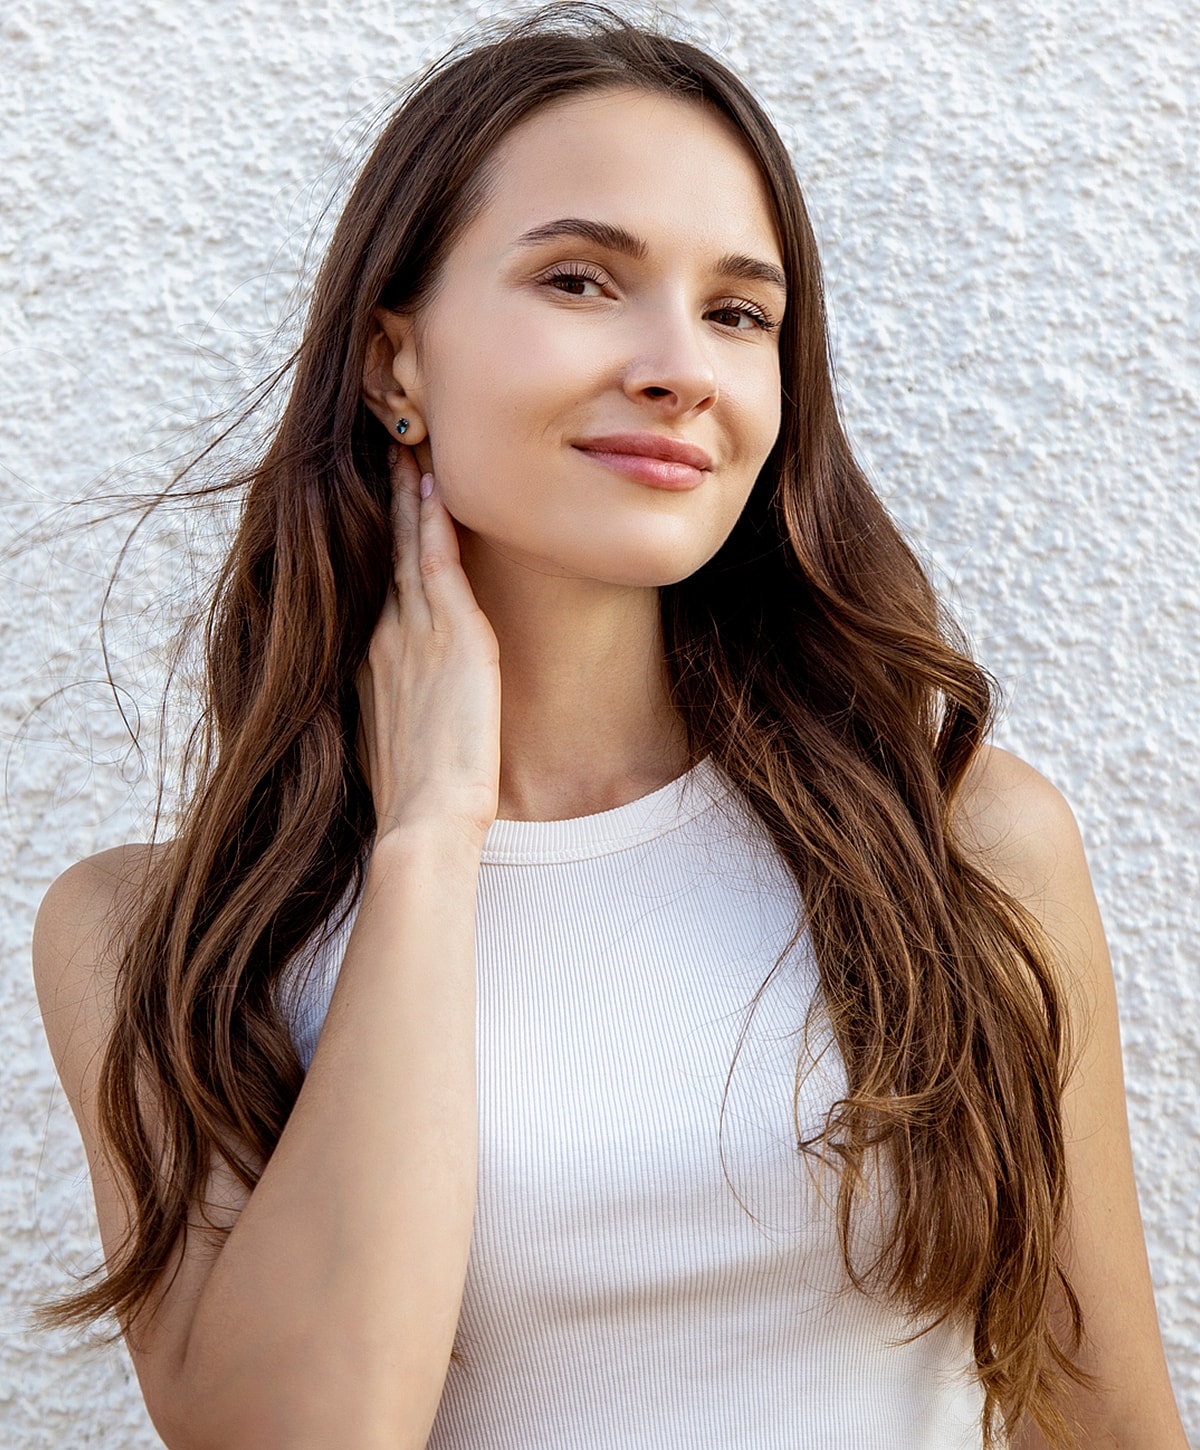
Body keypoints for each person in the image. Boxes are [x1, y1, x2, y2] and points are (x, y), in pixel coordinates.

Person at [31, 5, 1187, 1448]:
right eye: (582, 279)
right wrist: (430, 839)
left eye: (737, 312)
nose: (680, 365)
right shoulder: (154, 937)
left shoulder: (960, 846)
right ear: (395, 363)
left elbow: (1114, 1421)